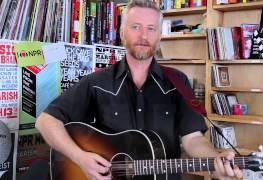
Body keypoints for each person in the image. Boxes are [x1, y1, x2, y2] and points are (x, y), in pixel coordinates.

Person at [35, 0, 242, 179]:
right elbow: (46, 121)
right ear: (122, 31)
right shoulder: (97, 82)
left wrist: (216, 160)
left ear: (159, 35)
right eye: (136, 27)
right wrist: (80, 158)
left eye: (151, 28)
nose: (144, 35)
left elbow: (193, 139)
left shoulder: (178, 82)